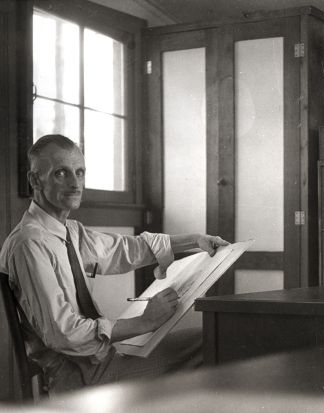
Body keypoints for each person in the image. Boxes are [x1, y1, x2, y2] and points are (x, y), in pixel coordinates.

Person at [0, 134, 229, 394]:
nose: (75, 183)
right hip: (82, 379)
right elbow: (62, 332)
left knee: (211, 338)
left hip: (99, 363)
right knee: (213, 344)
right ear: (34, 180)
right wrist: (143, 323)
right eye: (61, 173)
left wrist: (195, 240)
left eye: (80, 172)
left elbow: (124, 249)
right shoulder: (29, 243)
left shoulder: (68, 232)